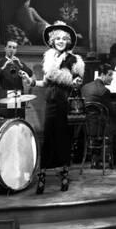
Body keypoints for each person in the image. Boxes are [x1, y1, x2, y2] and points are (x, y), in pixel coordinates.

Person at [22, 21, 85, 193]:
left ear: (68, 42)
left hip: (65, 102)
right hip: (50, 102)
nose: (61, 41)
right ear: (52, 40)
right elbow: (46, 81)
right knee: (49, 137)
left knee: (63, 138)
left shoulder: (74, 60)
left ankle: (64, 174)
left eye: (64, 39)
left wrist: (75, 82)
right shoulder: (49, 59)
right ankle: (42, 174)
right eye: (57, 38)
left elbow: (76, 83)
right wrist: (32, 81)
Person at [81, 63, 116, 162]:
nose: (112, 78)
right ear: (102, 74)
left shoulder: (85, 88)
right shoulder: (104, 91)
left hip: (87, 126)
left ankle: (96, 157)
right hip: (100, 128)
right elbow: (112, 111)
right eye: (109, 75)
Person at [0, 39, 33, 118]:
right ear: (5, 48)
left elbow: (30, 73)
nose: (11, 49)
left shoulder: (19, 62)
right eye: (9, 47)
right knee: (6, 121)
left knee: (19, 120)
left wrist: (20, 65)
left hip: (18, 96)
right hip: (5, 96)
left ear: (16, 50)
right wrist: (3, 67)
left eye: (14, 47)